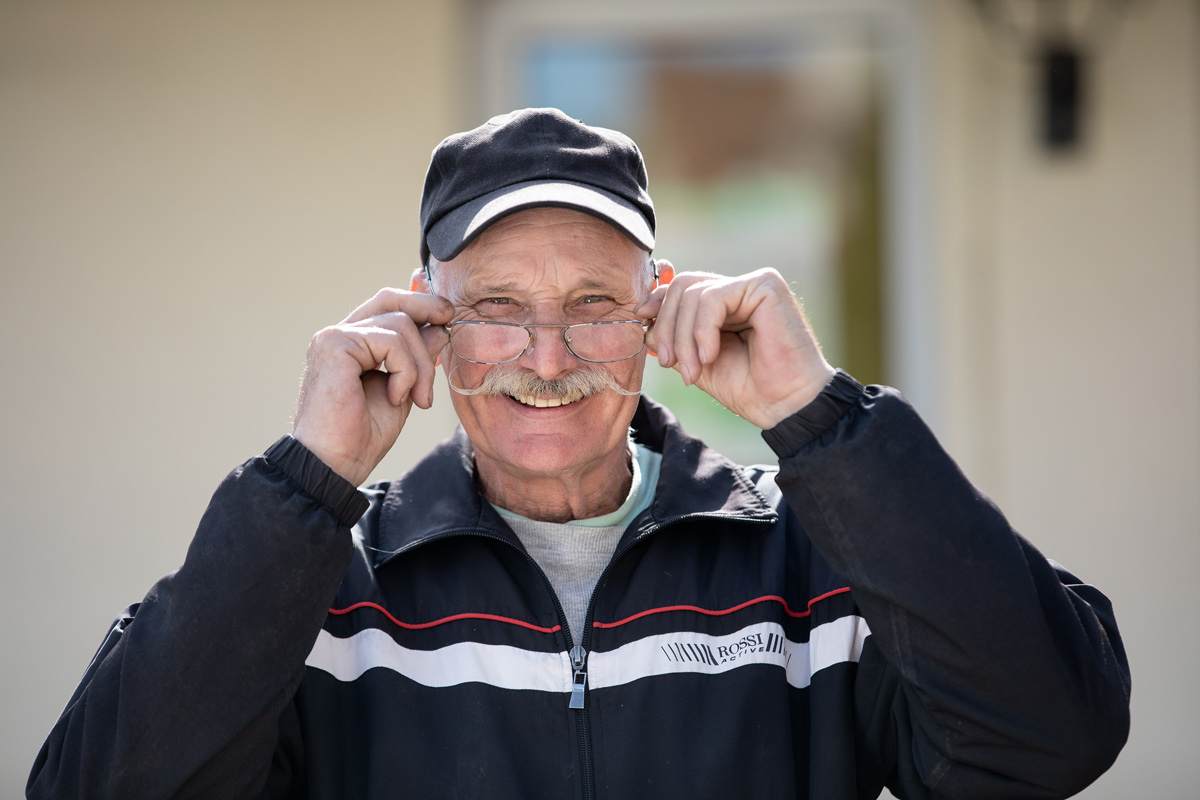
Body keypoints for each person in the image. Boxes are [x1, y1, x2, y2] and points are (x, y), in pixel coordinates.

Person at [28, 107, 1129, 800]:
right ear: (422, 321)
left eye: (594, 302)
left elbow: (1050, 737)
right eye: (497, 304)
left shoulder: (811, 568)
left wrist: (819, 413)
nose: (545, 355)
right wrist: (310, 477)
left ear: (657, 315)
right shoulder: (323, 591)